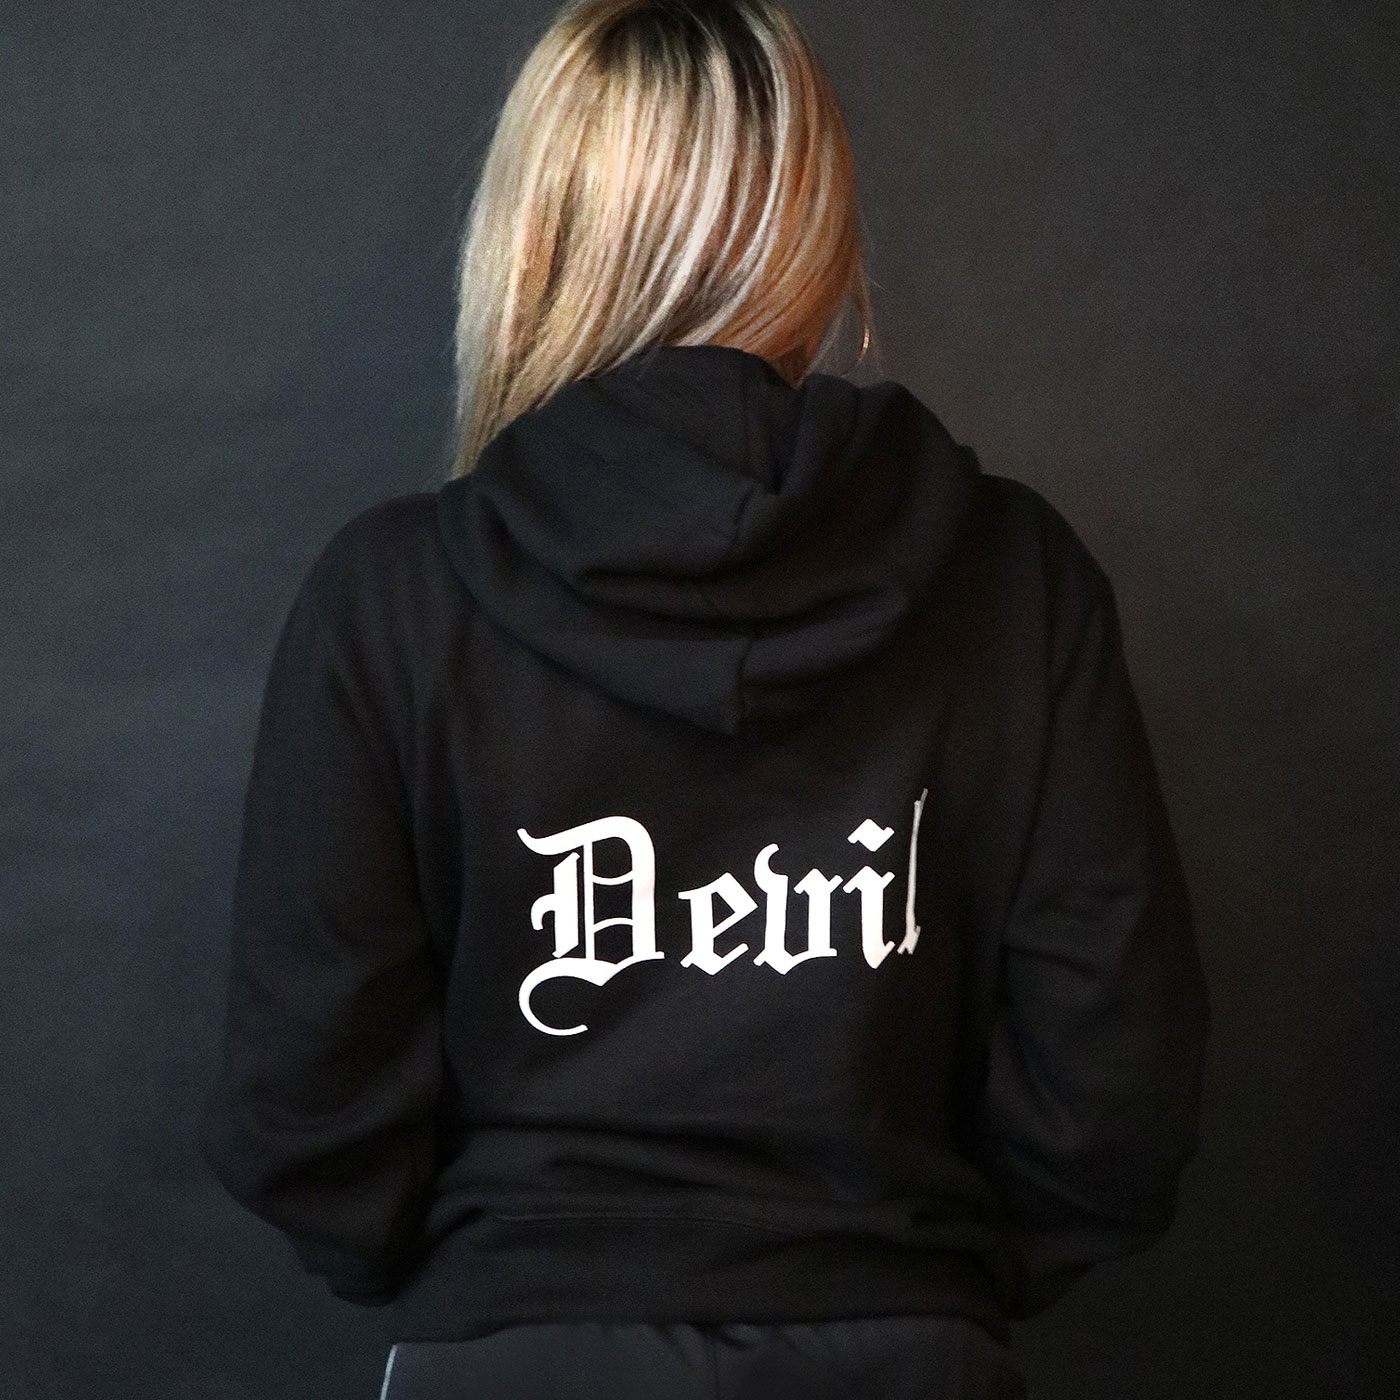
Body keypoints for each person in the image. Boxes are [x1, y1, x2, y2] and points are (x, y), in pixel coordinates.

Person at [195, 1, 1212, 1396]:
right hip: (900, 1349)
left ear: (538, 233)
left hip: (520, 1353)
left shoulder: (392, 598)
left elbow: (304, 1104)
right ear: (811, 225)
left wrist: (488, 1272)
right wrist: (919, 1271)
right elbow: (1115, 1087)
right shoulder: (1017, 578)